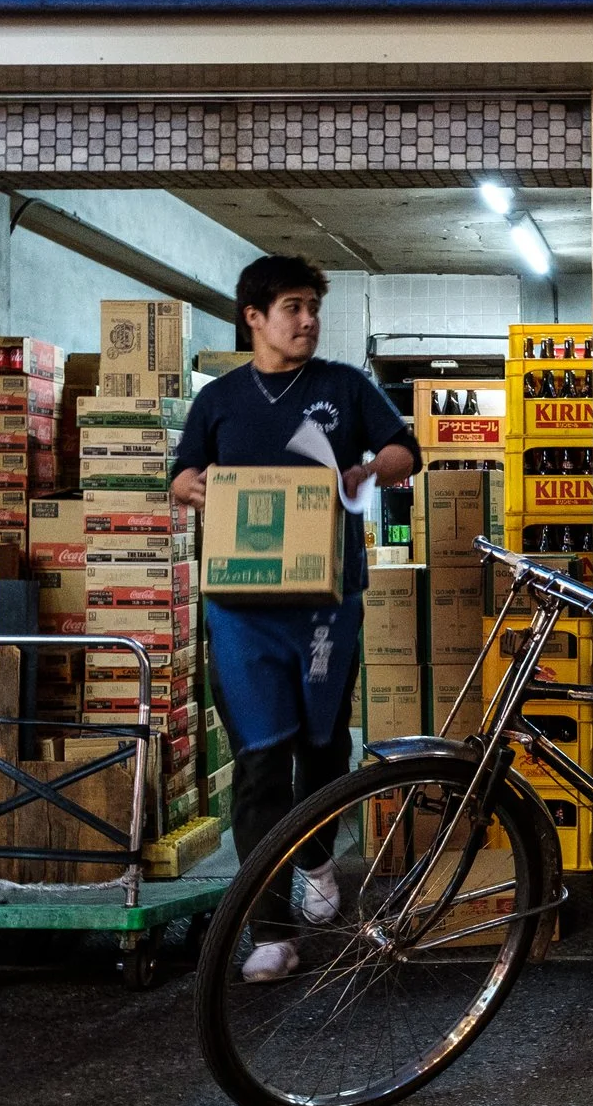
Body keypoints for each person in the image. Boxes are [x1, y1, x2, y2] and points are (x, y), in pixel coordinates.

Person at [168, 255, 420, 982]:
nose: (307, 319)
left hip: (324, 606)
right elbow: (183, 475)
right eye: (292, 306)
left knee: (322, 748)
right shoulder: (219, 400)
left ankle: (314, 857)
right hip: (242, 610)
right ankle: (270, 929)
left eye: (313, 306)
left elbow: (407, 448)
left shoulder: (342, 387)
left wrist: (369, 470)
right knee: (257, 764)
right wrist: (199, 485)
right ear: (254, 316)